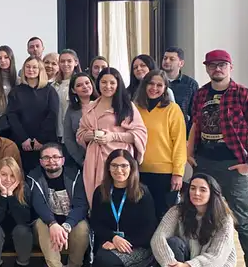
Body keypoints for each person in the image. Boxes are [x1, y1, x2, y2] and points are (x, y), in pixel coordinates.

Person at [188, 49, 248, 267]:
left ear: (230, 67)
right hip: (204, 162)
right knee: (199, 213)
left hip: (233, 165)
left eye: (221, 65)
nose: (217, 69)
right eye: (212, 65)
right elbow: (196, 125)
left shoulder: (244, 95)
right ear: (206, 68)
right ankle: (203, 266)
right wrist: (189, 153)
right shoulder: (200, 95)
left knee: (243, 219)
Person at [151, 174, 236, 267]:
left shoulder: (224, 219)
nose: (196, 193)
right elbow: (158, 238)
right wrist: (171, 266)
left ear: (212, 193)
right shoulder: (177, 211)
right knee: (173, 243)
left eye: (203, 190)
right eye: (193, 188)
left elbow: (217, 257)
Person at [86, 149, 157, 267]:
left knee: (104, 261)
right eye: (114, 166)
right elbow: (96, 223)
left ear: (132, 168)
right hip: (110, 245)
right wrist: (113, 238)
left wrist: (123, 243)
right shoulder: (101, 191)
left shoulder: (142, 192)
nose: (119, 170)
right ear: (108, 168)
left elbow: (149, 229)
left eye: (124, 166)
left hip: (137, 246)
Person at [28, 144, 90, 267]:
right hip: (48, 222)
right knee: (42, 224)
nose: (51, 161)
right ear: (41, 162)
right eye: (46, 158)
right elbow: (38, 203)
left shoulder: (75, 175)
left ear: (62, 160)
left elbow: (81, 205)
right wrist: (52, 223)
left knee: (82, 227)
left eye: (55, 157)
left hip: (69, 222)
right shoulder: (34, 176)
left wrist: (67, 225)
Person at [78, 68, 147, 206]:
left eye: (112, 83)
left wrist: (112, 136)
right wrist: (89, 135)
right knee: (97, 194)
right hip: (95, 159)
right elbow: (80, 134)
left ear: (118, 84)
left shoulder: (127, 107)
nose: (107, 86)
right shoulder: (91, 107)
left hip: (119, 157)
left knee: (120, 194)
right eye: (103, 82)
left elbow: (139, 134)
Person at [134, 70, 186, 221]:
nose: (154, 88)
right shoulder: (135, 108)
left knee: (163, 217)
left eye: (159, 85)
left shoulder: (172, 109)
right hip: (139, 171)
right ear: (144, 85)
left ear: (165, 88)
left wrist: (178, 173)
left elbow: (179, 143)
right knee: (142, 215)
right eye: (151, 83)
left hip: (165, 173)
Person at [6, 56, 59, 173]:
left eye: (35, 67)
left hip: (44, 142)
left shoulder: (50, 91)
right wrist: (23, 139)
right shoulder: (15, 91)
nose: (31, 70)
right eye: (28, 67)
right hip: (22, 143)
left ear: (41, 70)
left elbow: (52, 115)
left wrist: (39, 139)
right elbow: (12, 116)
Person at [63, 73, 98, 167]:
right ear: (73, 90)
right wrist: (80, 159)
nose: (85, 87)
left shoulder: (102, 104)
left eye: (87, 83)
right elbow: (68, 138)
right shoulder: (71, 110)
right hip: (83, 158)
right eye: (79, 85)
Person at [161, 47, 199, 131]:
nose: (167, 61)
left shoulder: (191, 84)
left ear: (181, 63)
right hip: (159, 129)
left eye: (172, 59)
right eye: (165, 58)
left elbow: (195, 114)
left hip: (182, 131)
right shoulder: (155, 82)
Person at [54, 49, 80, 140]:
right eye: (62, 61)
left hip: (73, 132)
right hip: (57, 132)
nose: (65, 64)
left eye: (69, 61)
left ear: (76, 62)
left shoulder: (80, 83)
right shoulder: (54, 85)